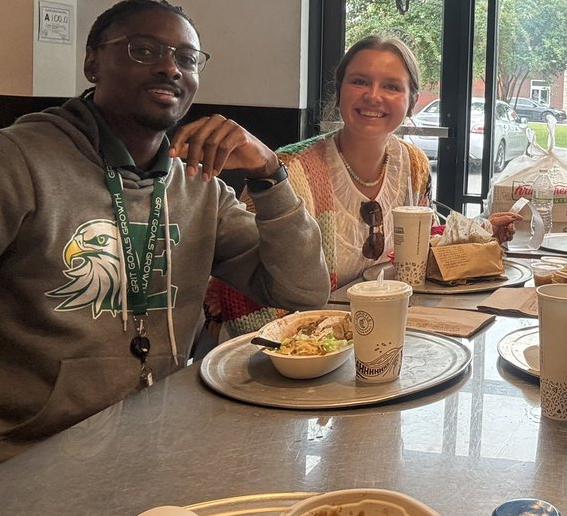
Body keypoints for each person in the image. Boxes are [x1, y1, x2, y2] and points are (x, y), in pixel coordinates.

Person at [0, 0, 329, 478]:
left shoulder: (199, 185)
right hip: (16, 469)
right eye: (144, 50)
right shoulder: (4, 166)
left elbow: (302, 290)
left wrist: (270, 176)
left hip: (158, 453)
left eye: (186, 58)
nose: (170, 67)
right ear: (92, 62)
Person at [205, 35, 521, 336]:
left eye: (391, 86)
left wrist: (481, 229)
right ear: (339, 90)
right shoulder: (287, 171)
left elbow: (419, 248)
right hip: (287, 349)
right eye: (359, 81)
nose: (373, 95)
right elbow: (245, 288)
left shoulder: (413, 163)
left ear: (411, 101)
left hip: (378, 328)